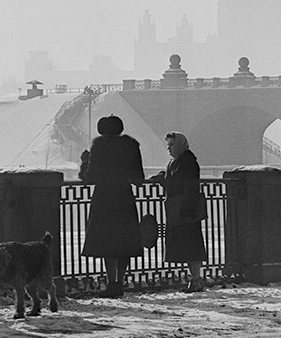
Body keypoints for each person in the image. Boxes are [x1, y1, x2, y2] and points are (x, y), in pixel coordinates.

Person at [79, 115, 145, 298]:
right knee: (125, 241)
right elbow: (138, 178)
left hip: (104, 197)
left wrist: (85, 161)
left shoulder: (99, 146)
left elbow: (90, 177)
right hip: (124, 196)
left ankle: (111, 282)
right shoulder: (131, 146)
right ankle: (120, 282)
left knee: (108, 241)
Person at [148, 131, 207, 292]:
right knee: (189, 246)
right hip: (181, 209)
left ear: (180, 144)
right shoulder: (178, 160)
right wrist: (162, 176)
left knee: (191, 246)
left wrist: (164, 180)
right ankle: (195, 280)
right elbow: (171, 176)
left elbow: (183, 183)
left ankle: (196, 280)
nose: (169, 149)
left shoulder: (187, 161)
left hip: (186, 209)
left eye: (172, 145)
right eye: (168, 145)